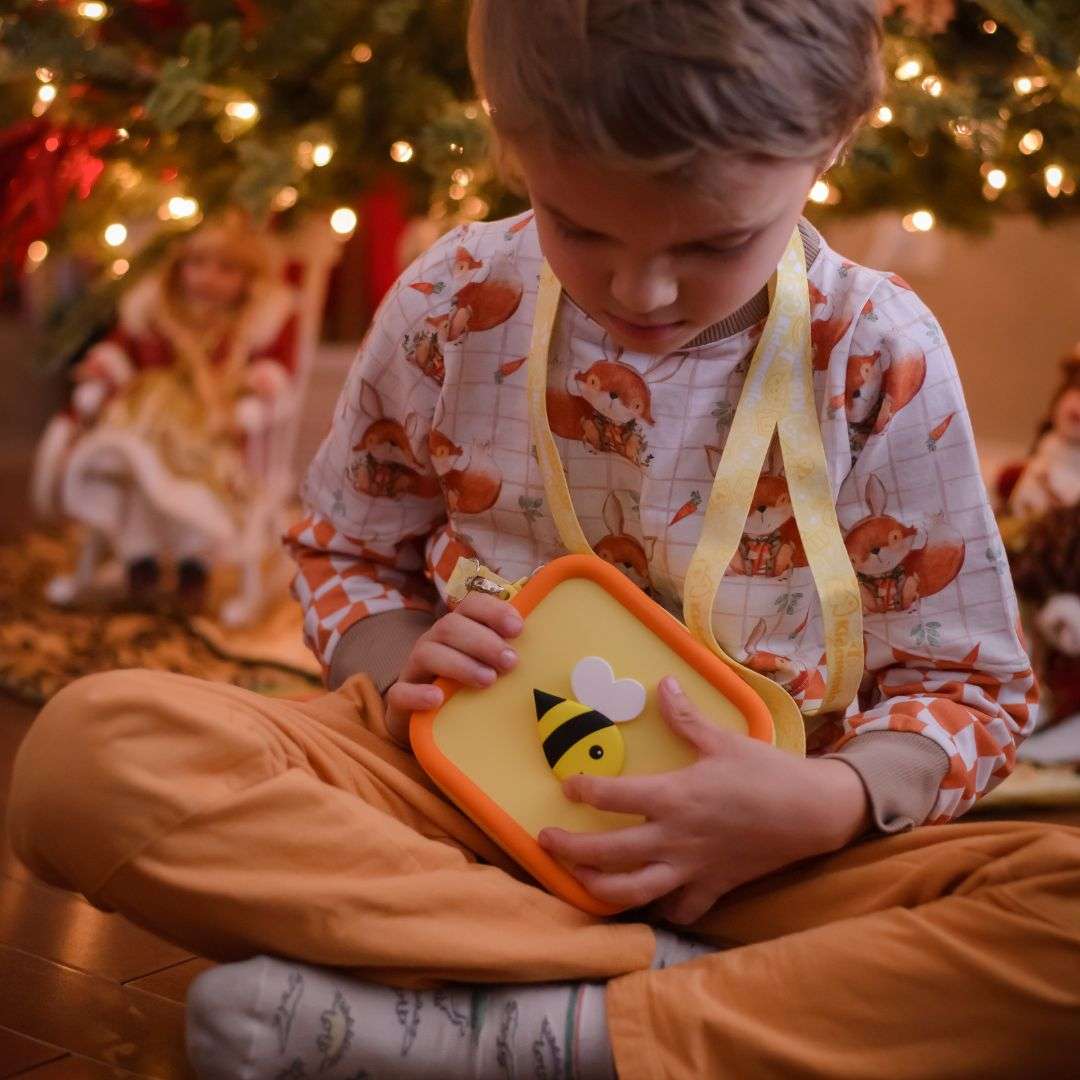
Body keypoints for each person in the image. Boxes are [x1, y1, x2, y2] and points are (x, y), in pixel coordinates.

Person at [9, 2, 1078, 1077]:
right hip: (448, 804)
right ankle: (654, 1003)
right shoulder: (453, 298)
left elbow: (969, 682)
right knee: (87, 753)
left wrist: (826, 802)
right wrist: (395, 658)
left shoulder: (876, 351)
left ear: (835, 139)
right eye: (581, 226)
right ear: (508, 138)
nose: (641, 290)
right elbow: (348, 549)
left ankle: (518, 1012)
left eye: (715, 242)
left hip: (762, 867)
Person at [32, 215, 298, 612]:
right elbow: (123, 350)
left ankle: (194, 567)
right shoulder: (155, 313)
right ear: (178, 268)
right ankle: (142, 561)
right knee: (138, 475)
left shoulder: (246, 326)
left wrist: (258, 389)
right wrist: (107, 365)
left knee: (199, 482)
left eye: (226, 269)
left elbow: (274, 367)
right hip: (144, 424)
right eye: (197, 264)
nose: (208, 277)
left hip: (211, 430)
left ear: (248, 280)